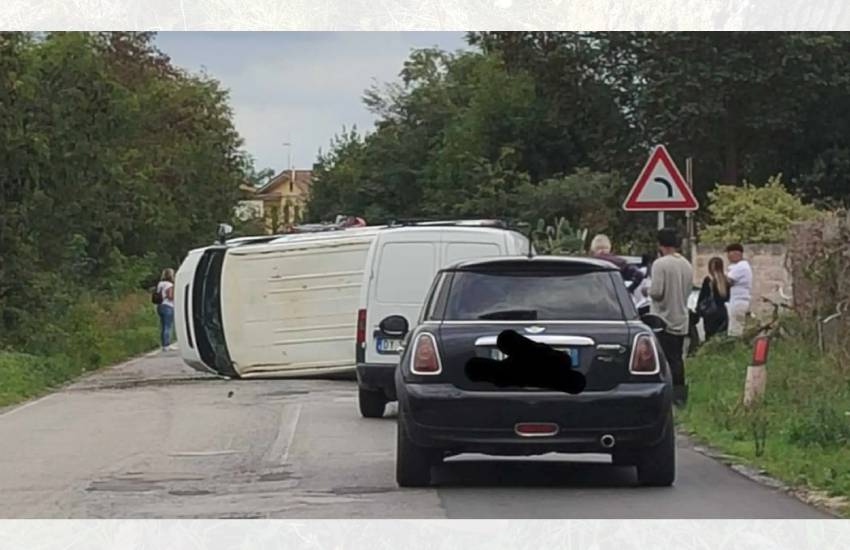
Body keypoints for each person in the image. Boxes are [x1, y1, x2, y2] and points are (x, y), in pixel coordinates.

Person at [648, 229, 693, 406]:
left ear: (659, 244)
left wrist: (647, 291)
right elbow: (688, 291)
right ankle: (679, 396)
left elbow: (657, 292)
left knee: (660, 360)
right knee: (677, 358)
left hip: (662, 319)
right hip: (681, 318)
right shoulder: (686, 264)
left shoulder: (660, 264)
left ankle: (661, 395)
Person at [697, 256, 730, 340]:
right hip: (722, 313)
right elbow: (727, 298)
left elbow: (702, 297)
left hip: (710, 314)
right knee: (722, 338)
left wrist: (698, 311)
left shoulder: (708, 280)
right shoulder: (726, 280)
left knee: (710, 338)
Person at [725, 243, 753, 338]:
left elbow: (728, 281)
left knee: (735, 330)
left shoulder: (741, 266)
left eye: (730, 253)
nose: (728, 256)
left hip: (738, 302)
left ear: (738, 253)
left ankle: (736, 348)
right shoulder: (736, 267)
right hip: (736, 301)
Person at [156, 268, 176, 352]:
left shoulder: (160, 284)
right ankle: (167, 344)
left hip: (160, 306)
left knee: (163, 326)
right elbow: (170, 296)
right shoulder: (169, 284)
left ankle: (164, 344)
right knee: (168, 326)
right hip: (168, 305)